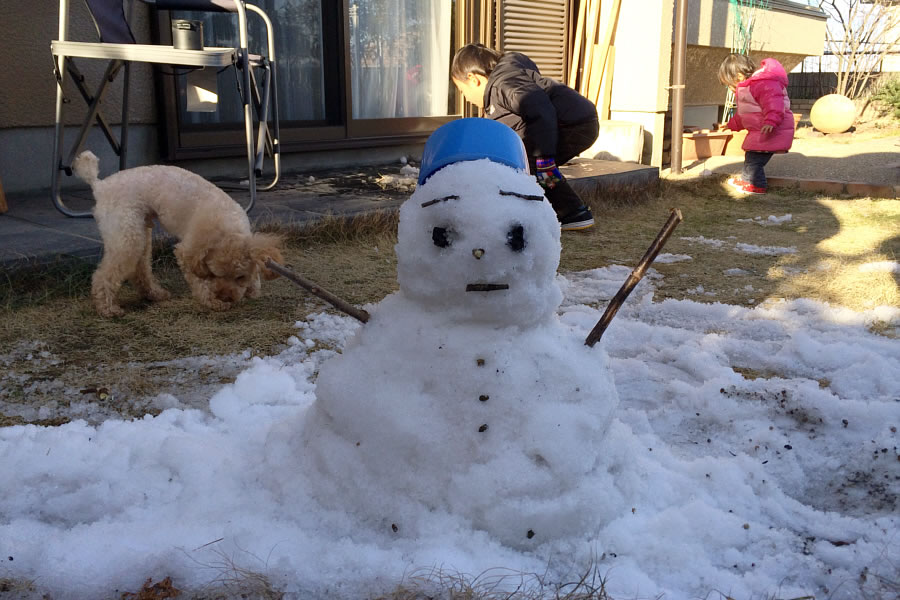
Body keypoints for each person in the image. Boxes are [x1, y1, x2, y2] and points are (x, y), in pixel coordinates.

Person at [451, 43, 599, 230]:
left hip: (572, 123)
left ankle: (572, 212)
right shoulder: (504, 85)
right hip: (576, 121)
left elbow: (538, 108)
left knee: (536, 168)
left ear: (473, 79)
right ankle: (557, 211)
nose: (465, 98)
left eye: (462, 90)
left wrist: (543, 155)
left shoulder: (503, 84)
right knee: (529, 168)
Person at [717, 53, 794, 195]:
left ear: (739, 76)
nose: (730, 88)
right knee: (751, 157)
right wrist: (731, 124)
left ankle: (758, 185)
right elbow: (746, 115)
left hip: (771, 129)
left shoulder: (762, 83)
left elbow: (774, 103)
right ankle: (747, 181)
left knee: (755, 161)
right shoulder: (747, 89)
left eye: (729, 84)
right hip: (760, 131)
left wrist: (771, 120)